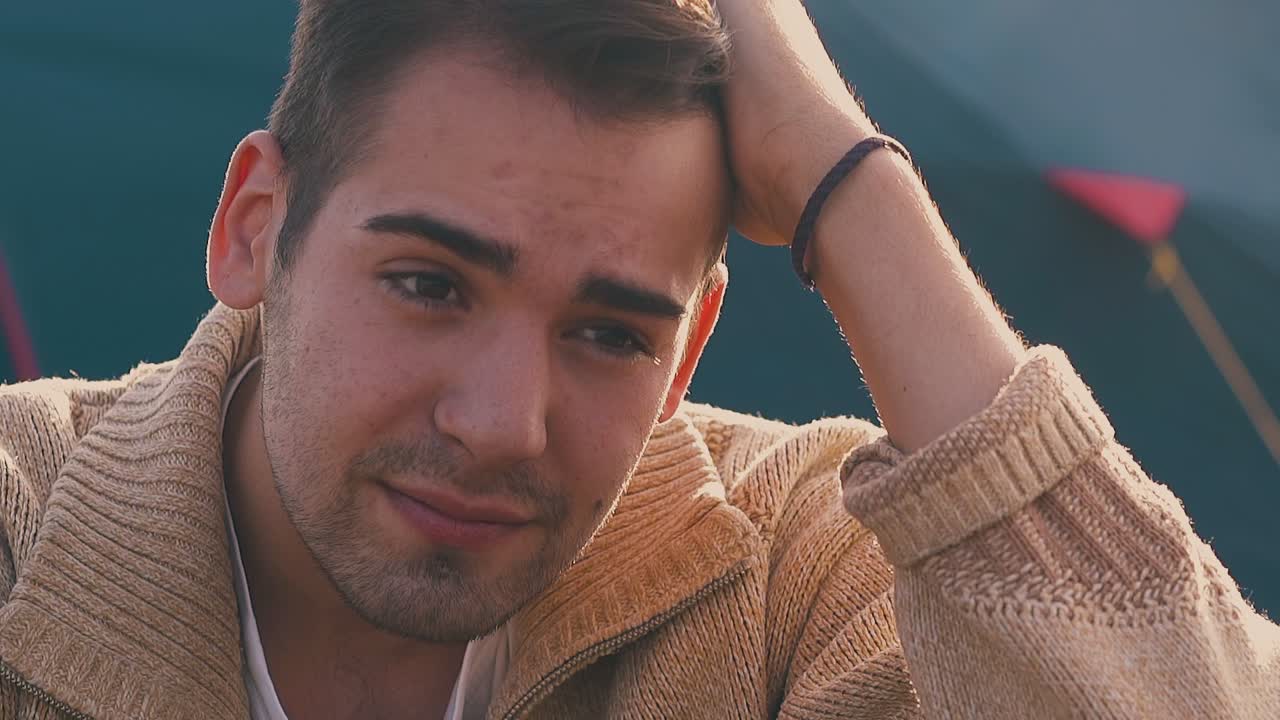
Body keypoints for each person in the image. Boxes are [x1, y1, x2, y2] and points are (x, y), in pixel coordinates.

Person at [1, 0, 1276, 717]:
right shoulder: (21, 517)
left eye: (610, 333)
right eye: (429, 285)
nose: (504, 421)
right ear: (251, 230)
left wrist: (849, 179)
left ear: (688, 353)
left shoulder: (796, 577)